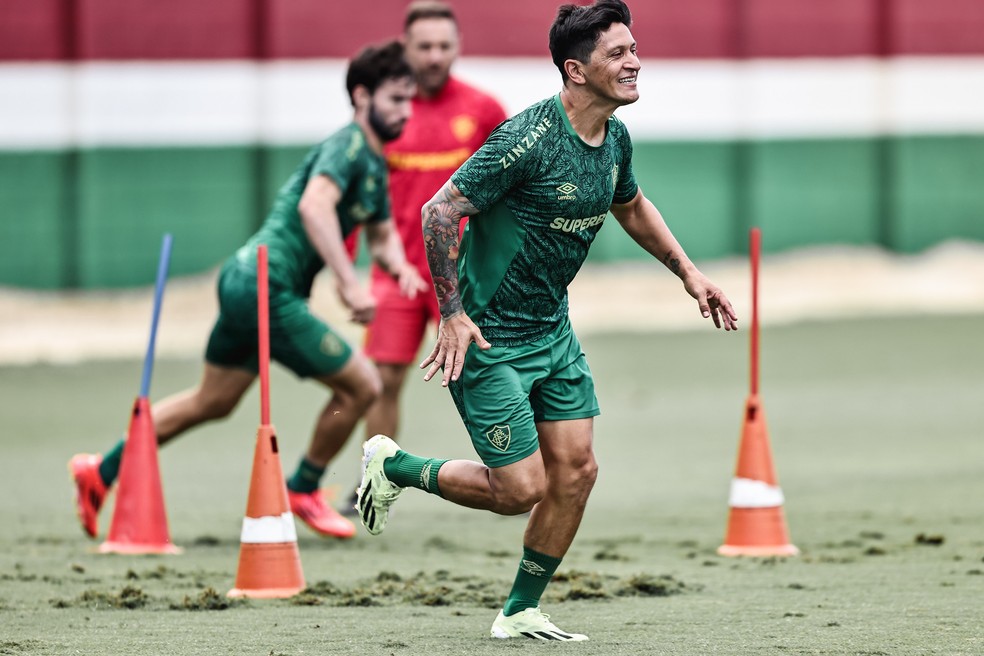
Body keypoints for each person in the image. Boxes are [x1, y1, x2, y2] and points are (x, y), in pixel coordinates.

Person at [354, 0, 738, 642]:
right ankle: (394, 467)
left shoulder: (614, 137)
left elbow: (632, 204)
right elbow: (439, 212)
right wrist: (450, 315)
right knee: (520, 489)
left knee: (579, 471)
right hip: (488, 339)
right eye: (618, 53)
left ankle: (520, 611)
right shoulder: (523, 140)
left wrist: (688, 274)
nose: (635, 61)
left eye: (633, 48)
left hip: (553, 333)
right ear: (576, 69)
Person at [69, 41, 426, 541]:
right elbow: (314, 208)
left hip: (243, 280)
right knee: (364, 385)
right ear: (362, 97)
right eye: (395, 99)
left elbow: (382, 234)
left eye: (410, 100)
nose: (405, 111)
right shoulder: (347, 147)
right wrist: (348, 282)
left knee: (211, 402)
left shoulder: (371, 160)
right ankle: (304, 488)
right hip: (265, 285)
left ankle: (99, 471)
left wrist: (402, 267)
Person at [352, 1, 507, 495]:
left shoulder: (483, 110)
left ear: (457, 47)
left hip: (466, 276)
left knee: (492, 373)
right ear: (405, 48)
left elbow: (506, 191)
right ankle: (373, 480)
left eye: (445, 45)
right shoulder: (386, 110)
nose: (436, 56)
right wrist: (348, 273)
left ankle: (513, 475)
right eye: (425, 46)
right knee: (382, 382)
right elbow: (362, 193)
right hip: (396, 275)